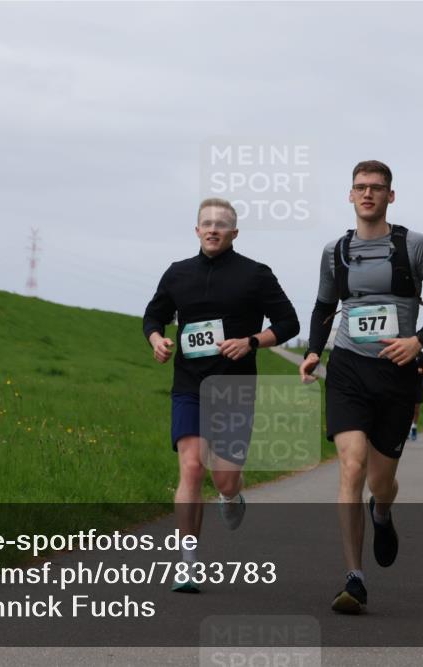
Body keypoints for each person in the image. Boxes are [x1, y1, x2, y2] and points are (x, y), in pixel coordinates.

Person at [298, 160, 423, 614]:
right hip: (348, 369)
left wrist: (418, 342)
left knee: (380, 481)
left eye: (377, 188)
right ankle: (355, 577)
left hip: (396, 375)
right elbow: (323, 307)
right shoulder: (335, 251)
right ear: (349, 196)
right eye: (360, 187)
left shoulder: (414, 246)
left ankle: (383, 512)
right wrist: (314, 350)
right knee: (350, 467)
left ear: (391, 196)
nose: (367, 194)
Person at [143, 197, 299, 592]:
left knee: (224, 478)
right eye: (206, 223)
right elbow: (153, 315)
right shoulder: (177, 274)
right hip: (189, 385)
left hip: (234, 386)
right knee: (192, 468)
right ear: (196, 230)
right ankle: (187, 564)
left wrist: (251, 341)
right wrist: (158, 339)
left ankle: (232, 497)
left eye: (221, 224)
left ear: (234, 233)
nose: (213, 229)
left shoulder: (255, 275)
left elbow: (289, 322)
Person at [410, 350, 423, 441]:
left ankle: (414, 428)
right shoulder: (408, 352)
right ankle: (406, 429)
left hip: (418, 386)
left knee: (416, 408)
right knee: (407, 409)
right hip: (407, 385)